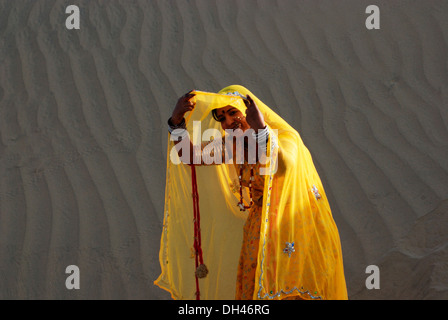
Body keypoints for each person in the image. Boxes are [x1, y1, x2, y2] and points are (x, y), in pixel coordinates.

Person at [155, 85, 348, 300]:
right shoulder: (235, 145)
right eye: (222, 118)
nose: (228, 122)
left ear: (249, 111)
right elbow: (191, 156)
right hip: (259, 230)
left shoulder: (285, 138)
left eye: (233, 112)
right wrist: (176, 122)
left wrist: (262, 131)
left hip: (294, 226)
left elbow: (284, 166)